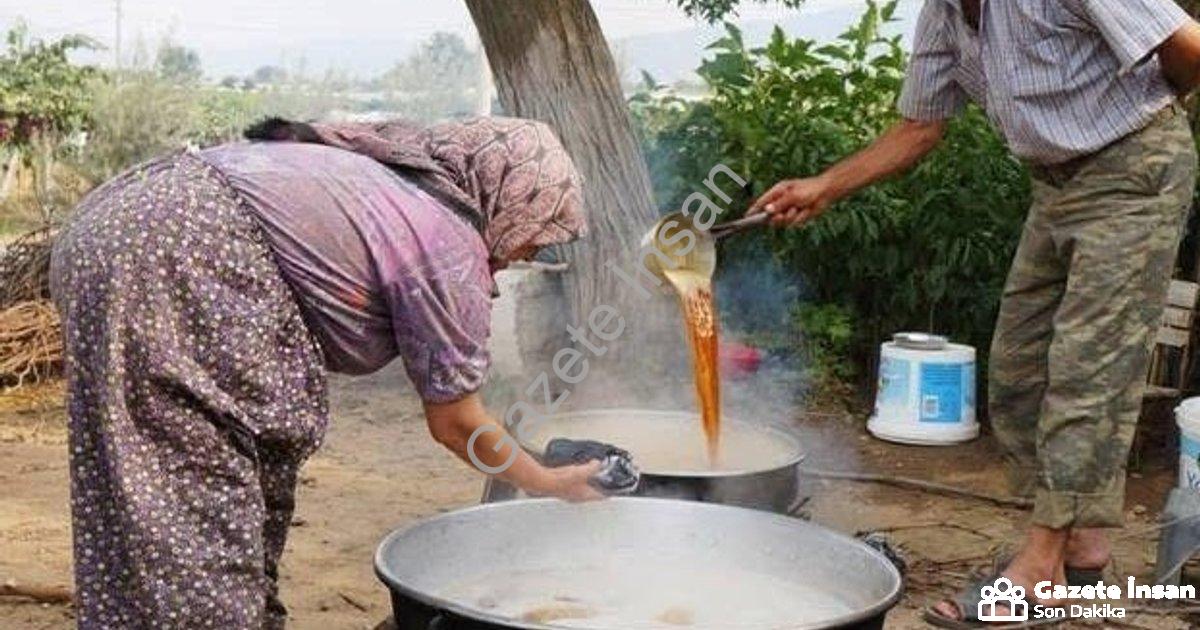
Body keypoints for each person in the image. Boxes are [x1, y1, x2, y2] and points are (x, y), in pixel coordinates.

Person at [49, 116, 603, 629]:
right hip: (180, 254)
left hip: (120, 223)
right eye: (538, 229)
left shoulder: (389, 181)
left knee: (150, 486)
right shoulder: (444, 243)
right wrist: (547, 481)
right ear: (509, 195)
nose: (531, 251)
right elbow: (457, 423)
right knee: (196, 510)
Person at [750, 0, 1200, 626]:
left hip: (1135, 171)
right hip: (1055, 185)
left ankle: (1041, 569)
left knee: (1087, 373)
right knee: (1017, 372)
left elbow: (1190, 47)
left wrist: (1153, 108)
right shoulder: (943, 14)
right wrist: (824, 186)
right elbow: (919, 127)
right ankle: (1081, 545)